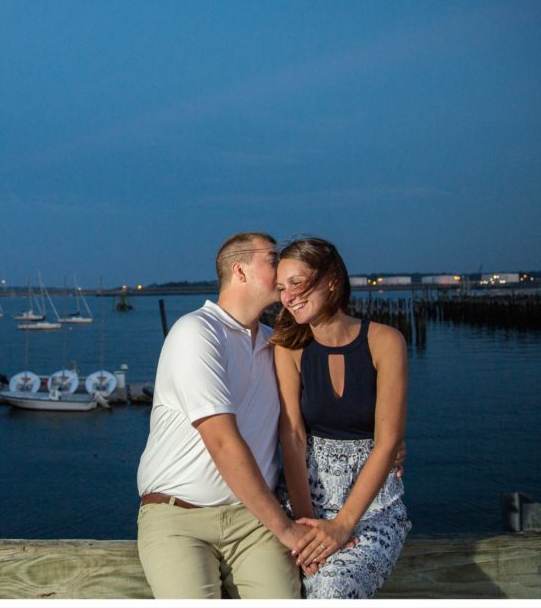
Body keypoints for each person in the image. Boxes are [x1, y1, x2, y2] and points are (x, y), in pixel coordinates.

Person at [135, 231, 309, 599]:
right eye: (272, 259)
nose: (283, 268)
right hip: (178, 518)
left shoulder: (273, 342)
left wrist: (385, 444)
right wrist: (289, 531)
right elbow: (222, 441)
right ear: (240, 271)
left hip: (254, 519)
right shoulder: (195, 332)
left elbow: (315, 414)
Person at [271, 236, 411, 598]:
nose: (288, 296)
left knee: (335, 586)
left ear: (331, 278)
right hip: (304, 504)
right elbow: (293, 436)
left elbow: (389, 441)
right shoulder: (289, 348)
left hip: (372, 509)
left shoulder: (386, 341)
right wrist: (306, 524)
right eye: (281, 287)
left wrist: (342, 525)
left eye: (297, 282)